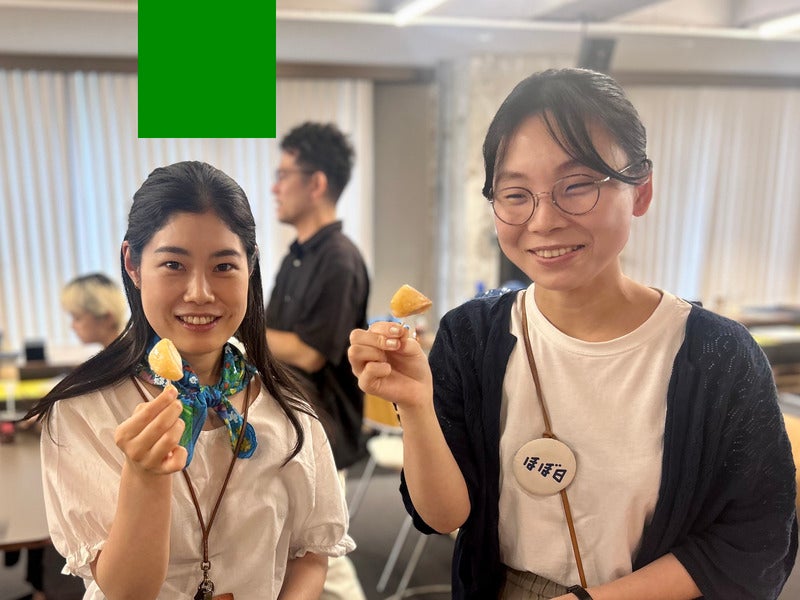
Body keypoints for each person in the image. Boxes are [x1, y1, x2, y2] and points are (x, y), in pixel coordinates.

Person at [348, 68, 798, 600]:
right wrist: (416, 407)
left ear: (641, 190)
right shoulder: (471, 335)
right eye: (516, 194)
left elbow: (757, 539)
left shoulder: (717, 355)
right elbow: (443, 517)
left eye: (578, 185)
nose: (544, 221)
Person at [26, 161, 353, 599]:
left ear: (251, 266)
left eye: (223, 266)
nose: (200, 292)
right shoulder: (83, 412)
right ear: (133, 264)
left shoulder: (286, 409)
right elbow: (127, 591)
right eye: (173, 264)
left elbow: (309, 552)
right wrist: (145, 476)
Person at [265, 122, 369, 600]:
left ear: (317, 183)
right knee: (290, 553)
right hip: (289, 420)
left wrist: (234, 330)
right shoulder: (297, 256)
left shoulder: (339, 260)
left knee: (325, 558)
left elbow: (308, 351)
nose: (275, 187)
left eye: (283, 175)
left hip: (321, 429)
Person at [60, 273, 128, 348]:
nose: (72, 326)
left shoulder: (126, 354)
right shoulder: (116, 352)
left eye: (77, 318)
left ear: (107, 318)